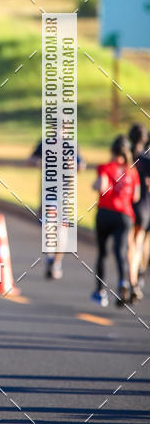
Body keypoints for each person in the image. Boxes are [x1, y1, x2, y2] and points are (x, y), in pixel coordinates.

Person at [91, 135, 140, 307]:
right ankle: (122, 283)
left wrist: (95, 185)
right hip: (124, 216)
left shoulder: (106, 167)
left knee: (102, 253)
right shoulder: (132, 171)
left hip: (105, 213)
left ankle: (100, 291)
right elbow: (136, 196)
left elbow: (101, 186)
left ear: (111, 150)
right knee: (121, 253)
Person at [30, 135, 86, 279]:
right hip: (51, 191)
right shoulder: (47, 142)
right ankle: (54, 262)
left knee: (57, 226)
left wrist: (73, 165)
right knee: (55, 226)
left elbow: (81, 165)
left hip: (63, 192)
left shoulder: (69, 144)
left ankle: (53, 260)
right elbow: (31, 159)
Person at [128, 124, 150, 302]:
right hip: (147, 206)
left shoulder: (128, 158)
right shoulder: (147, 159)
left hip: (133, 206)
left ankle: (133, 280)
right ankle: (141, 273)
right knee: (144, 241)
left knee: (134, 245)